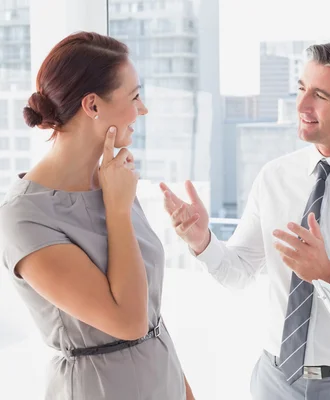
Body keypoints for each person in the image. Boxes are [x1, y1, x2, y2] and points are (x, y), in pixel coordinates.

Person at [160, 39, 330, 400]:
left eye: (320, 95)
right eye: (302, 88)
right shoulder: (274, 176)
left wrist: (329, 274)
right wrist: (202, 241)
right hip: (274, 381)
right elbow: (238, 271)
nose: (301, 105)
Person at [0, 32, 194, 400]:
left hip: (162, 381)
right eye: (135, 96)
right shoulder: (24, 217)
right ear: (92, 106)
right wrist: (117, 209)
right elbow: (129, 321)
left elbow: (150, 317)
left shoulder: (112, 181)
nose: (144, 109)